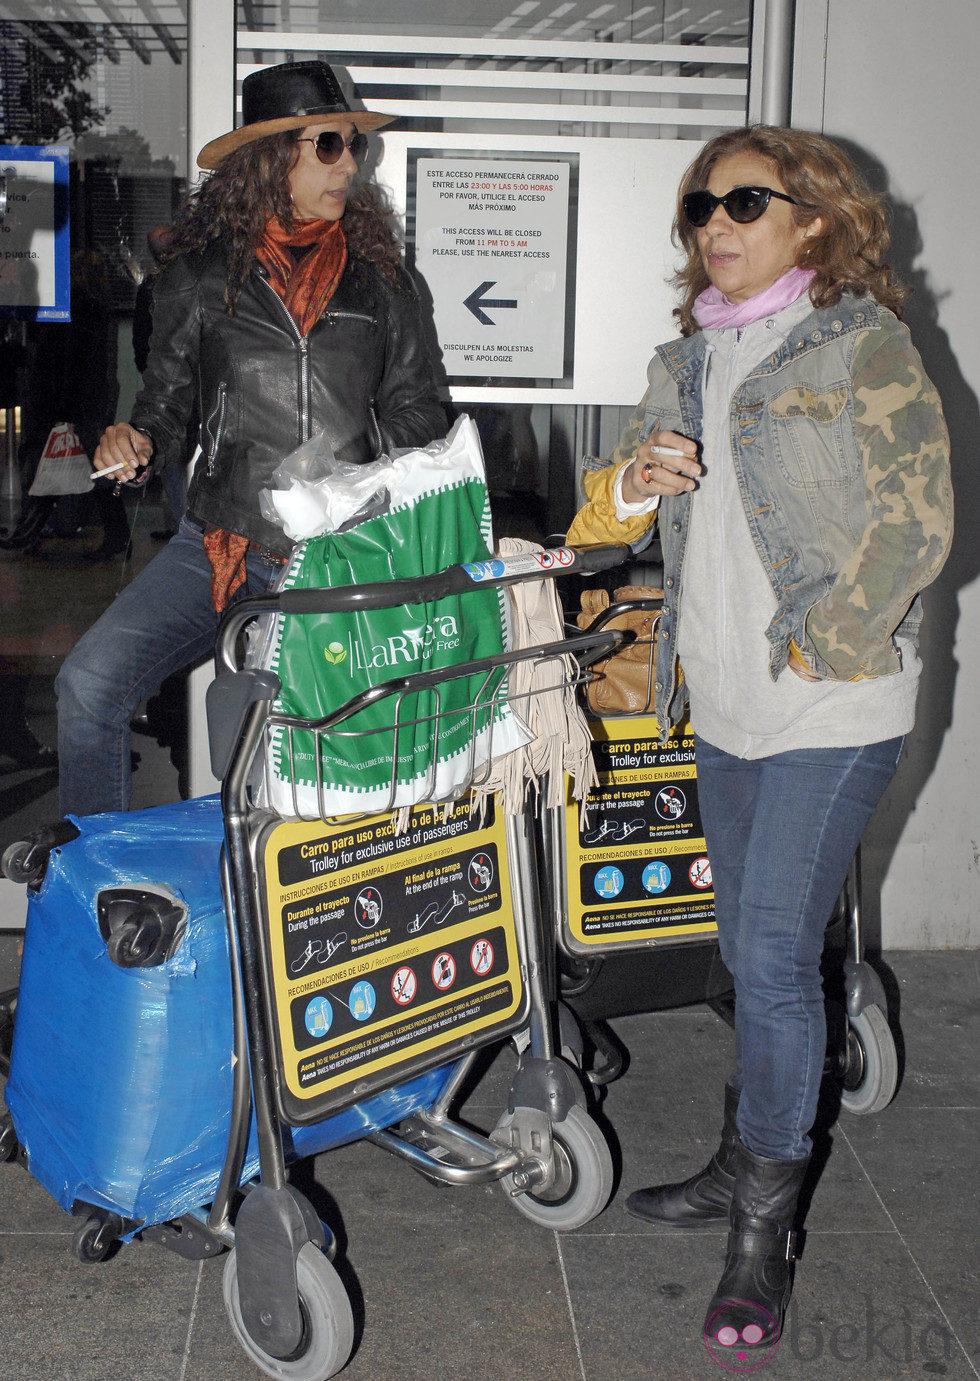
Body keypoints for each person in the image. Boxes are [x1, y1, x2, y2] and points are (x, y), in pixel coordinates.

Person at [566, 126, 952, 1357]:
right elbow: (596, 521)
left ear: (812, 223)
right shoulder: (681, 362)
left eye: (745, 201)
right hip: (719, 707)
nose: (715, 224)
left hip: (831, 709)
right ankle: (744, 1162)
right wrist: (631, 482)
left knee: (776, 958)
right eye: (699, 208)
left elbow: (919, 522)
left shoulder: (859, 348)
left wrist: (831, 634)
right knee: (744, 948)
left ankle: (761, 1238)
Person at [56, 61, 447, 817]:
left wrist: (345, 466)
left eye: (352, 148)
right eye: (328, 146)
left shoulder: (386, 283)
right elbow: (166, 411)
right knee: (88, 685)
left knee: (290, 778)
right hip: (221, 544)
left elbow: (423, 408)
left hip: (339, 555)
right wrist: (133, 442)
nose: (349, 164)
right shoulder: (197, 281)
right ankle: (103, 884)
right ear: (271, 160)